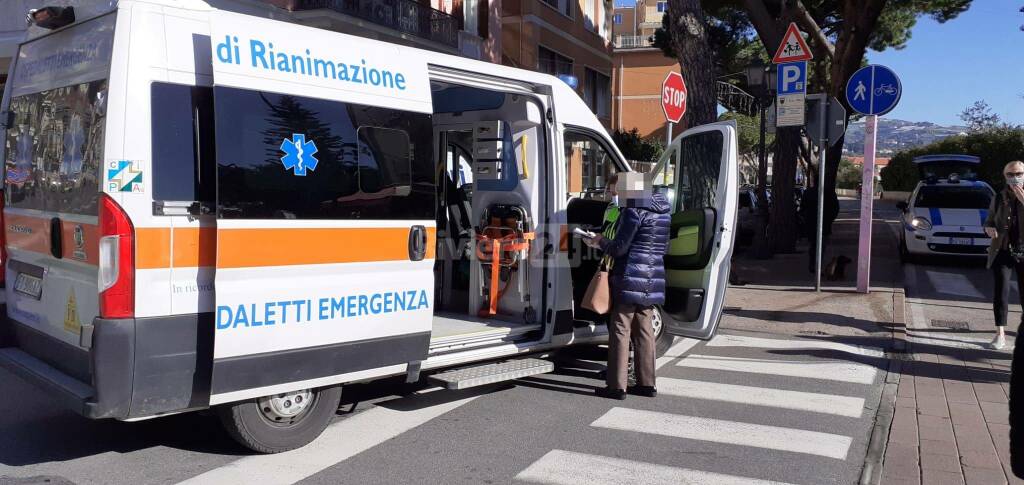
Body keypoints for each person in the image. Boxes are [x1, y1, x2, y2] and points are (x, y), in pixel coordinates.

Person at [585, 173, 670, 400]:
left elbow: (619, 249)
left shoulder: (633, 212)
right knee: (645, 331)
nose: (618, 198)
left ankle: (616, 386)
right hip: (653, 278)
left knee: (620, 330)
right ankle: (647, 384)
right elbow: (665, 247)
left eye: (620, 193)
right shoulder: (663, 212)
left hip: (629, 275)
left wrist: (599, 241)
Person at [983, 160, 1024, 350]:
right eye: (1010, 174)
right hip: (1003, 250)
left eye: (1018, 173)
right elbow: (989, 220)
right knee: (1001, 292)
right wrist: (989, 228)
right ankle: (1000, 334)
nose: (1014, 177)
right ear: (1005, 176)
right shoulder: (999, 197)